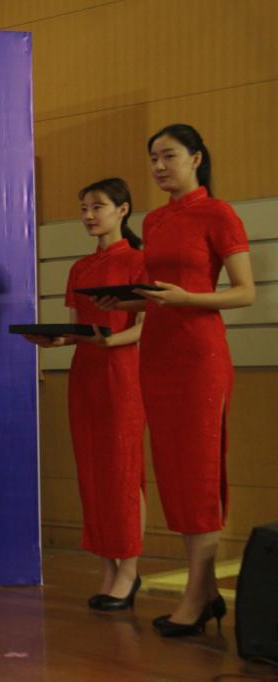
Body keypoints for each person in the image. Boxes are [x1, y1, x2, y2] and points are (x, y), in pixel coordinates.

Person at [98, 124, 255, 637]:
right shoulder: (155, 219)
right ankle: (204, 593)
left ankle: (198, 591)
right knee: (174, 473)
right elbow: (160, 295)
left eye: (168, 156)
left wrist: (187, 299)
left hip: (199, 356)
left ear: (196, 159)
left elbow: (245, 292)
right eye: (153, 158)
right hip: (158, 355)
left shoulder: (218, 213)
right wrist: (127, 301)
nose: (159, 166)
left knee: (199, 472)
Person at [22, 178, 147, 610]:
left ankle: (130, 568)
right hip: (86, 371)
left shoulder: (139, 261)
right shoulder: (80, 268)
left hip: (124, 371)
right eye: (84, 208)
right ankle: (109, 565)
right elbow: (78, 327)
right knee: (93, 470)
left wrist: (112, 341)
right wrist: (54, 340)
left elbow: (149, 324)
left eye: (98, 207)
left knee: (123, 468)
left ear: (123, 210)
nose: (89, 216)